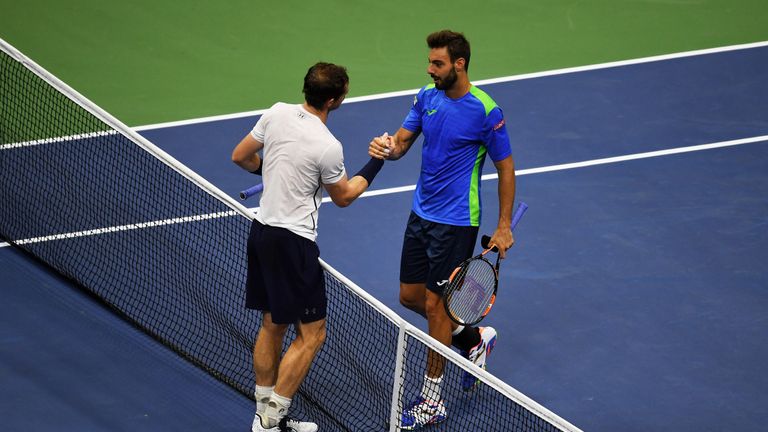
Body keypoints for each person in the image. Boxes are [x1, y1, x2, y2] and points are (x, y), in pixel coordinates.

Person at [369, 30, 515, 430]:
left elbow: (505, 167)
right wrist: (388, 147)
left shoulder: (486, 110)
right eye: (430, 62)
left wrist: (503, 225)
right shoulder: (426, 97)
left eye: (437, 63)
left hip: (456, 221)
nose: (430, 69)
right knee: (410, 296)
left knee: (436, 306)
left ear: (459, 64)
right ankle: (472, 338)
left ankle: (432, 399)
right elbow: (401, 143)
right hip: (421, 214)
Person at [233, 62, 386, 432]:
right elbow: (346, 195)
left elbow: (241, 156)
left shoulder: (276, 113)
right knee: (312, 334)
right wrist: (377, 161)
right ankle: (272, 421)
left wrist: (270, 172)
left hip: (262, 233)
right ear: (334, 100)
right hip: (293, 245)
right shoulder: (327, 146)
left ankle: (263, 418)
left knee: (272, 324)